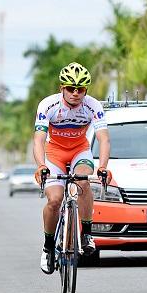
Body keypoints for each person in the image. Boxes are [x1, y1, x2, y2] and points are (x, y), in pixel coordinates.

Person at [33, 62, 112, 274]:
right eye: (70, 88)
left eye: (81, 89)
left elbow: (103, 139)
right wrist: (41, 165)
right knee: (55, 200)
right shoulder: (48, 106)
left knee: (83, 182)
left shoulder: (93, 106)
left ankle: (86, 234)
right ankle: (48, 247)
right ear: (62, 89)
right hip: (54, 154)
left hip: (80, 151)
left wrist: (103, 166)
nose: (76, 93)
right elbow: (39, 140)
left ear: (86, 90)